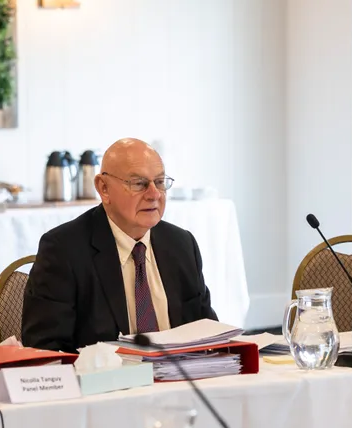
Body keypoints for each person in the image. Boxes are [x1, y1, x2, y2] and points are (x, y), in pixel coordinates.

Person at [22, 138, 217, 353]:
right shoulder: (64, 250)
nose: (154, 194)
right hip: (104, 384)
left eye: (160, 182)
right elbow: (44, 350)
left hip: (180, 380)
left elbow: (208, 333)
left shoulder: (181, 245)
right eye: (139, 184)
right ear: (103, 188)